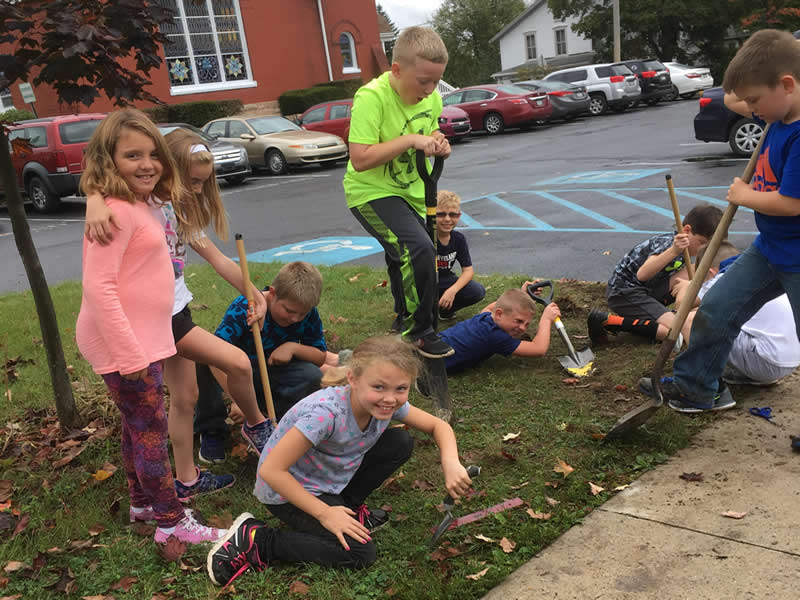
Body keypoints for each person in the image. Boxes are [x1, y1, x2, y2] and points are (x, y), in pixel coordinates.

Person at [84, 128, 273, 501]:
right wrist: (92, 198)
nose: (199, 191)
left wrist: (255, 294)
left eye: (204, 183)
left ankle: (185, 479)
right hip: (161, 318)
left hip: (175, 308)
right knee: (237, 363)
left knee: (186, 396)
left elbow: (219, 259)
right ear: (170, 170)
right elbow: (100, 182)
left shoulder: (174, 209)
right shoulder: (139, 205)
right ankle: (257, 426)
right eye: (193, 182)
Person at [205, 336, 472, 587]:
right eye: (378, 387)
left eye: (400, 388)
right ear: (353, 379)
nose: (390, 398)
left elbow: (438, 426)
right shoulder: (325, 415)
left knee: (399, 443)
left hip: (327, 478)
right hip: (286, 491)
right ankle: (259, 541)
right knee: (360, 553)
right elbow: (271, 470)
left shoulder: (384, 403)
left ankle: (348, 509)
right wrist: (325, 513)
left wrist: (450, 461)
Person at [75, 109, 225, 544]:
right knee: (150, 430)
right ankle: (171, 522)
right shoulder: (114, 215)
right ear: (109, 160)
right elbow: (99, 289)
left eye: (152, 154)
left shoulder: (138, 202)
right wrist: (129, 355)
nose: (147, 164)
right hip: (126, 344)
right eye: (131, 155)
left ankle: (141, 502)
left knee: (134, 423)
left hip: (144, 336)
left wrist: (93, 193)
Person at [640, 29, 800, 414]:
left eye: (755, 101)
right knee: (718, 308)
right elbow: (733, 96)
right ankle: (697, 388)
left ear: (787, 85)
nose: (749, 108)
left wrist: (746, 197)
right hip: (770, 250)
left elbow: (792, 203)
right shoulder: (776, 110)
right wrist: (749, 75)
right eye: (749, 101)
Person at [344, 26, 453, 358]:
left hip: (410, 191)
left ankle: (405, 317)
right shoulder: (371, 98)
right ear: (397, 70)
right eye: (423, 81)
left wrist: (437, 141)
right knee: (415, 249)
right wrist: (409, 140)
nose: (431, 89)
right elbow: (360, 158)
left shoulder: (431, 97)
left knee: (406, 253)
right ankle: (418, 332)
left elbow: (429, 127)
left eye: (436, 81)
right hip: (370, 192)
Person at [194, 261, 330, 464]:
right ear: (273, 293)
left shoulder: (307, 314)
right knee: (202, 358)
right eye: (289, 311)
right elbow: (216, 356)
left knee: (312, 376)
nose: (295, 318)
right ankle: (211, 429)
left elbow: (320, 356)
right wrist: (238, 400)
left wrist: (293, 347)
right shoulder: (245, 307)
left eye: (301, 314)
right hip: (236, 373)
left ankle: (288, 424)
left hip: (274, 374)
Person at [587, 204, 723, 347]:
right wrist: (674, 250)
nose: (704, 249)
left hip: (648, 291)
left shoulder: (687, 251)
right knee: (673, 331)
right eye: (702, 243)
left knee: (698, 269)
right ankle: (608, 321)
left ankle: (664, 315)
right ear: (687, 230)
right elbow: (642, 275)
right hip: (625, 293)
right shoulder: (668, 244)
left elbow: (682, 277)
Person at [671, 241, 800, 386]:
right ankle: (750, 376)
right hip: (789, 359)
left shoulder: (723, 279)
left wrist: (689, 285)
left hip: (766, 360)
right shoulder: (758, 272)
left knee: (691, 320)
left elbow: (682, 306)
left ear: (711, 272)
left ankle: (704, 385)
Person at [439, 287, 561, 373]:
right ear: (498, 314)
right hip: (432, 365)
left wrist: (521, 296)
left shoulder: (485, 317)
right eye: (518, 321)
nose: (523, 328)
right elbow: (539, 349)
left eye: (526, 324)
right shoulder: (495, 337)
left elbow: (493, 306)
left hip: (433, 343)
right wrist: (546, 319)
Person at [435, 190, 486, 320]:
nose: (447, 219)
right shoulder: (425, 236)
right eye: (441, 214)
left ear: (459, 215)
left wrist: (452, 291)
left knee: (477, 291)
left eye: (453, 214)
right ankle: (414, 313)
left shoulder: (458, 239)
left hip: (444, 280)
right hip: (423, 281)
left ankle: (445, 310)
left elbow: (468, 270)